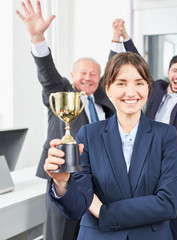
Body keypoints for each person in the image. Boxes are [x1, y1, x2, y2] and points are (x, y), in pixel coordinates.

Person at [44, 51, 177, 240]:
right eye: (121, 83)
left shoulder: (166, 135)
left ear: (148, 88)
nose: (131, 92)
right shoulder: (89, 134)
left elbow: (168, 203)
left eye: (139, 83)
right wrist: (62, 183)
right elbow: (77, 208)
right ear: (107, 88)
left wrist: (103, 211)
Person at [16, 0, 116, 239]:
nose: (88, 78)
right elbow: (47, 75)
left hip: (98, 179)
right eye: (83, 73)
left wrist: (115, 38)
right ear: (72, 76)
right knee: (60, 233)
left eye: (94, 74)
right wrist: (38, 39)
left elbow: (114, 68)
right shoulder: (61, 92)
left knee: (90, 232)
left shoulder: (106, 101)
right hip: (63, 175)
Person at [111, 19, 177, 240]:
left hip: (172, 169)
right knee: (143, 220)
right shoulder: (156, 87)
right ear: (169, 71)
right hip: (143, 163)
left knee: (175, 222)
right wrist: (125, 36)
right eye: (175, 70)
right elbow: (138, 62)